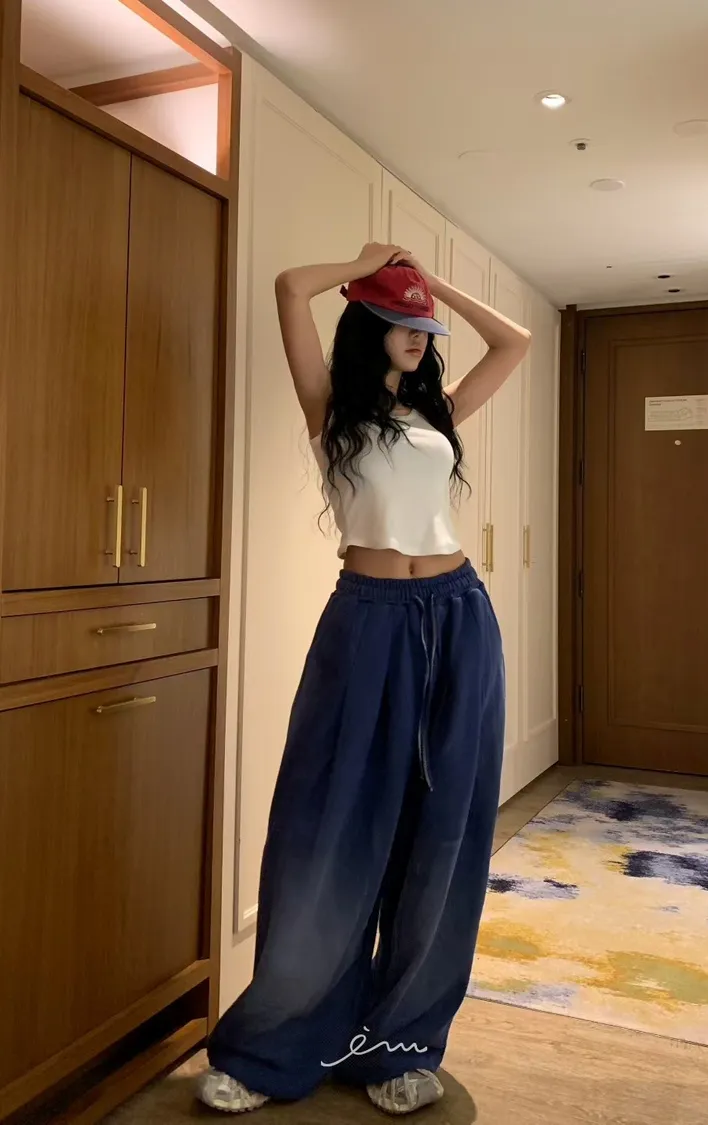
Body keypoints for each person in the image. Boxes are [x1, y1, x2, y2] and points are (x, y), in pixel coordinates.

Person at [199, 242, 531, 1116]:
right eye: (402, 320)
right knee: (326, 826)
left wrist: (432, 285)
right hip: (366, 620)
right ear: (366, 324)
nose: (420, 335)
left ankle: (401, 1043)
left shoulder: (439, 413)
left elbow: (517, 341)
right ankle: (272, 1045)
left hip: (460, 618)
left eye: (426, 326)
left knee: (445, 832)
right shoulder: (333, 410)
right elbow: (287, 288)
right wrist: (362, 263)